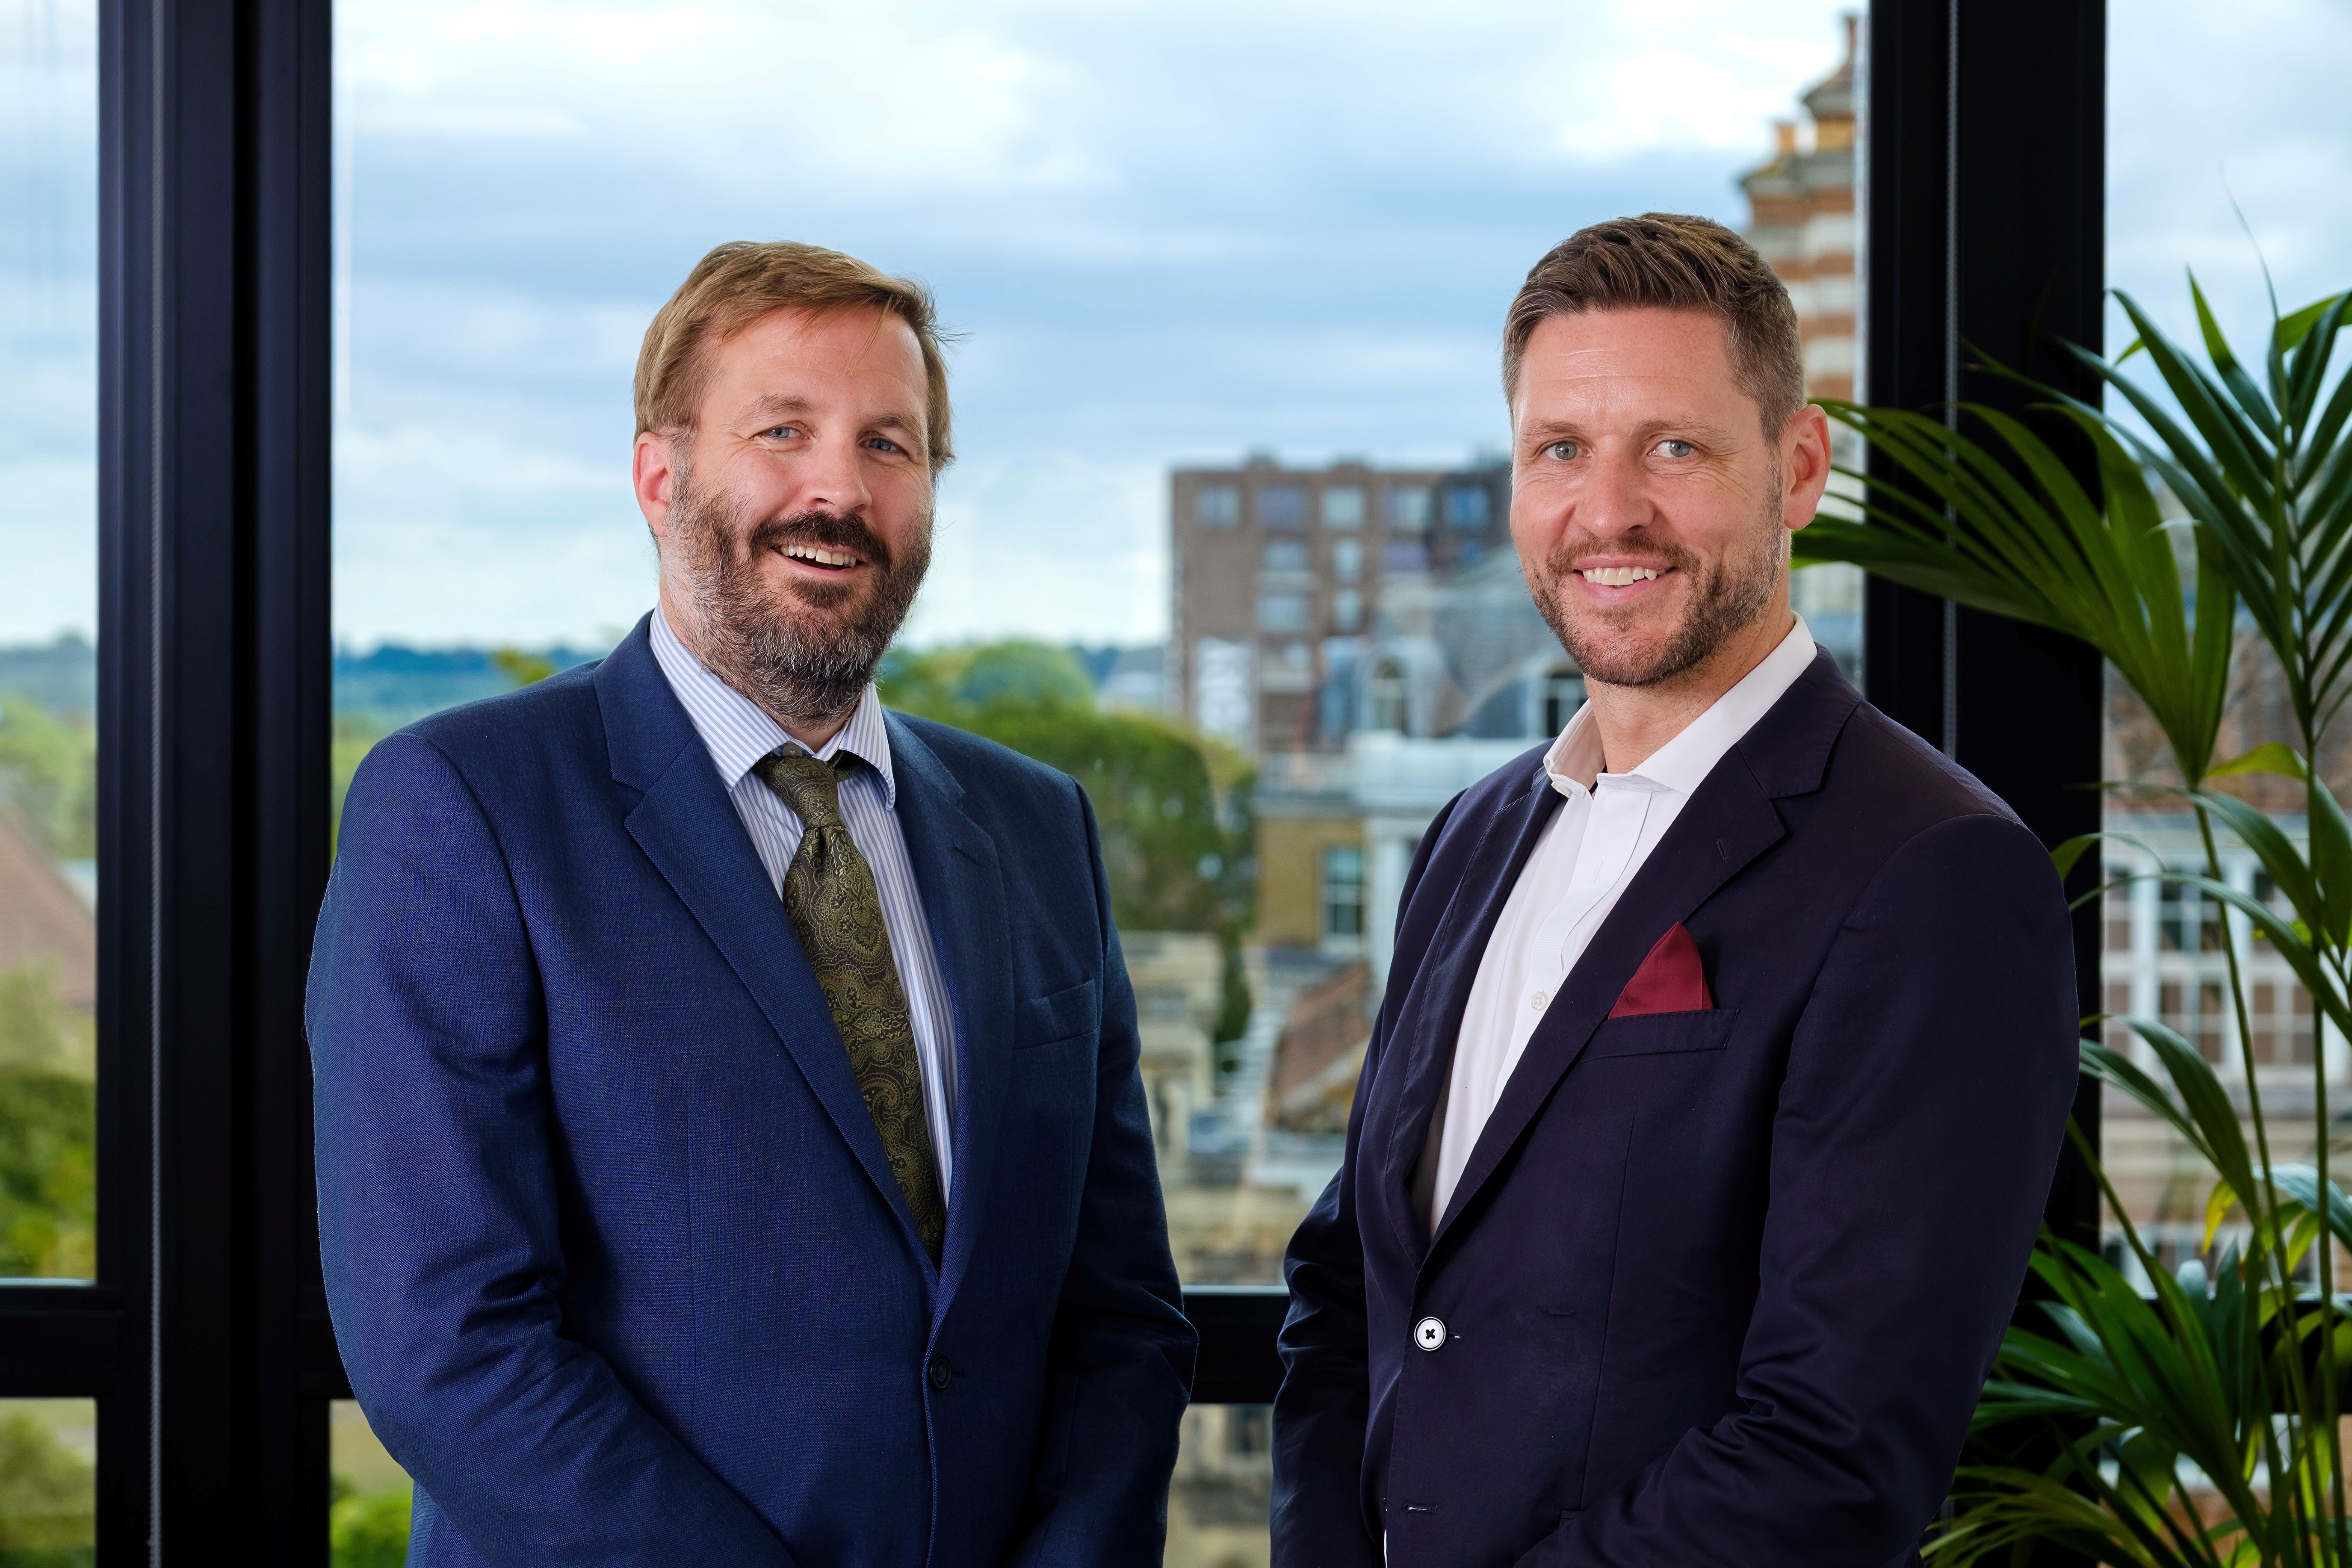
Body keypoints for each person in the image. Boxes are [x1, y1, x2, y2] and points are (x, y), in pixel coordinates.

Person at [310, 240, 1195, 1567]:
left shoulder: (1035, 827)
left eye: (889, 445)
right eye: (783, 430)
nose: (838, 486)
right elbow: (448, 1345)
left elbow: (1119, 1309)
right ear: (659, 476)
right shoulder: (461, 806)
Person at [1270, 213, 2079, 1568]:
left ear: (1797, 466)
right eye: (1559, 452)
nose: (1607, 513)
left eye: (1674, 446)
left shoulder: (1931, 868)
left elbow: (1832, 1448)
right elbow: (1349, 1281)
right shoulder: (1474, 834)